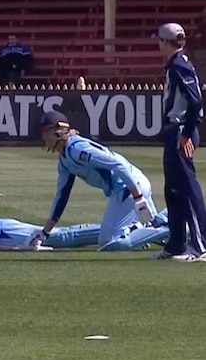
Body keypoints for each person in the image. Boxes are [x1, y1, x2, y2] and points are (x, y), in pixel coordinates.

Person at [29, 110, 170, 252]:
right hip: (130, 186)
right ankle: (169, 220)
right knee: (159, 232)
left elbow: (117, 164)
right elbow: (61, 198)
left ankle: (170, 226)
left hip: (128, 187)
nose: (44, 137)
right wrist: (45, 232)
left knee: (109, 242)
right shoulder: (65, 161)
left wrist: (138, 196)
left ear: (60, 130)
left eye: (47, 131)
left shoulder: (77, 149)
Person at [150, 22, 206, 262]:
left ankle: (200, 245)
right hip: (176, 131)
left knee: (185, 186)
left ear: (165, 41)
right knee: (173, 190)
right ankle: (176, 244)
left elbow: (195, 101)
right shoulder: (176, 65)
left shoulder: (179, 66)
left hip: (180, 130)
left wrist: (186, 133)